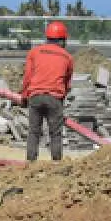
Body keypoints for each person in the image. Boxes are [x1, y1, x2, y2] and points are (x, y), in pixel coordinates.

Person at [20, 21, 74, 162]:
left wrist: (24, 96)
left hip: (35, 96)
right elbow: (67, 83)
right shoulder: (67, 57)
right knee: (55, 133)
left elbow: (27, 77)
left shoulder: (34, 52)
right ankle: (56, 163)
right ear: (62, 40)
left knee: (33, 132)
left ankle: (30, 163)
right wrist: (61, 98)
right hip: (54, 98)